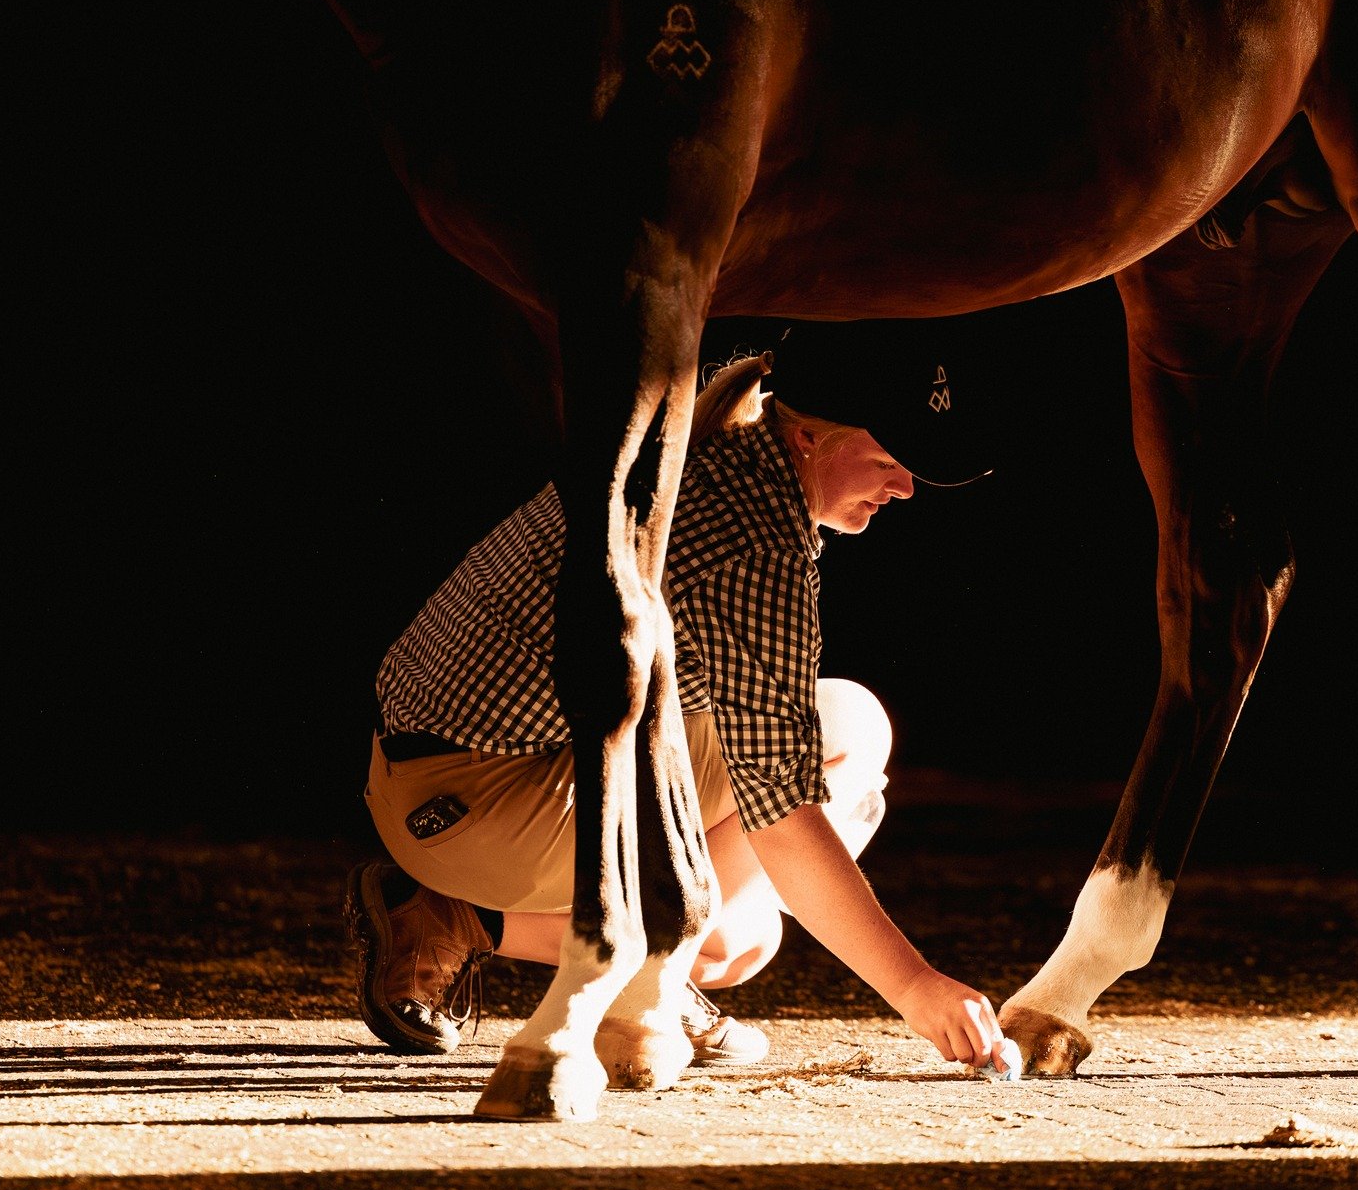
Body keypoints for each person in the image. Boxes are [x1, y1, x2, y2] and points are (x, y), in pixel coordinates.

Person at [346, 323, 1010, 1072]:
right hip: (492, 806)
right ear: (806, 439)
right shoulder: (754, 540)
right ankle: (587, 945)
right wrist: (916, 988)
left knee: (735, 944)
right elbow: (781, 808)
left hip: (415, 782)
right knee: (848, 726)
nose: (904, 488)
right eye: (889, 460)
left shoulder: (691, 446)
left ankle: (474, 920)